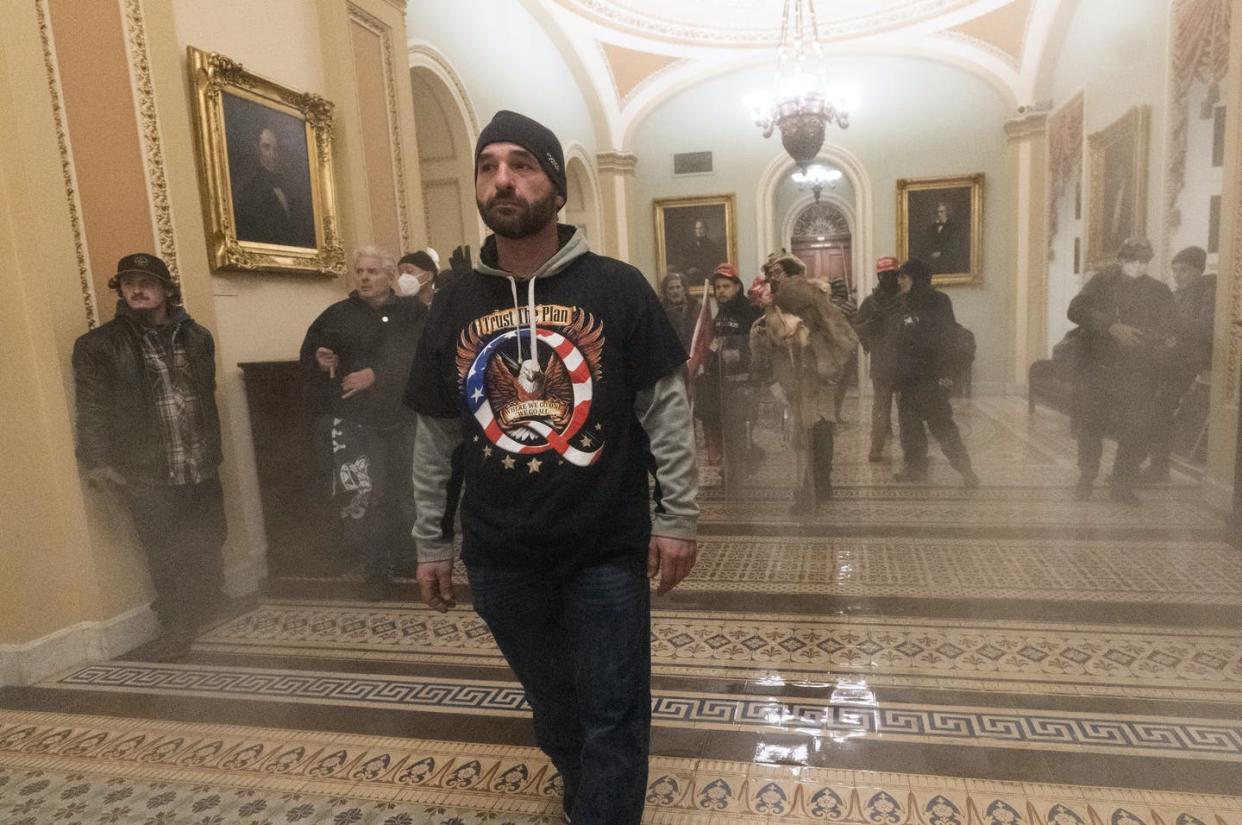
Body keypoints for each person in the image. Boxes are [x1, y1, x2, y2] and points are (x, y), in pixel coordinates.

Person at [406, 110, 698, 824]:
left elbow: (666, 410)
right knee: (556, 706)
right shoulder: (455, 301)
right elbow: (437, 431)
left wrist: (678, 516)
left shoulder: (619, 287)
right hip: (502, 553)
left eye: (522, 164)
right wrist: (430, 540)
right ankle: (589, 785)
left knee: (613, 711)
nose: (502, 178)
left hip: (603, 545)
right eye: (487, 165)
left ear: (556, 188)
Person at [72, 253, 227, 661]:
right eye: (129, 282)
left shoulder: (197, 337)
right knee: (164, 550)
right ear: (120, 290)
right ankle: (175, 623)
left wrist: (213, 451)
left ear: (166, 289)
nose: (137, 289)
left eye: (147, 282)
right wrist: (98, 461)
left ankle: (206, 603)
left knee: (210, 537)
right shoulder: (98, 346)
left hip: (199, 461)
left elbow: (205, 397)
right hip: (148, 469)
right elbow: (92, 407)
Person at [300, 245, 427, 599]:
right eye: (360, 271)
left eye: (373, 271)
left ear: (390, 275)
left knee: (407, 490)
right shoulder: (336, 315)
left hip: (403, 417)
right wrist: (321, 359)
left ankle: (407, 557)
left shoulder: (412, 313)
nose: (365, 278)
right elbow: (314, 355)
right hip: (358, 423)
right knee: (369, 493)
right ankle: (375, 568)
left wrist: (376, 375)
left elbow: (422, 355)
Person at [1068, 237, 1177, 503]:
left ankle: (1122, 483)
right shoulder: (1100, 283)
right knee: (1091, 425)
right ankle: (1087, 476)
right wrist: (1110, 326)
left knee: (1135, 429)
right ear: (1120, 259)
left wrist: (1143, 337)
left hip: (1137, 371)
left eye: (1143, 260)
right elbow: (1076, 309)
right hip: (1098, 366)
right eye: (1131, 259)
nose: (1137, 265)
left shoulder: (1159, 290)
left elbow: (1169, 326)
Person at [751, 253, 857, 511]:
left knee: (812, 433)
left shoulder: (793, 293)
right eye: (769, 272)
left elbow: (792, 335)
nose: (771, 277)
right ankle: (822, 485)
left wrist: (768, 319)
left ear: (788, 272)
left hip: (810, 374)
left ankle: (811, 491)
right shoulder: (807, 292)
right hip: (817, 373)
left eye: (775, 272)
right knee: (820, 429)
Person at [890, 258, 980, 487]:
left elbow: (945, 339)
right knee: (910, 429)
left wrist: (944, 375)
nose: (899, 281)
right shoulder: (901, 303)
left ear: (917, 278)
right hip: (908, 379)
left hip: (931, 377)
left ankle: (966, 471)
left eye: (904, 276)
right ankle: (915, 470)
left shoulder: (938, 301)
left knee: (942, 427)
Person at [1140, 245, 1217, 481]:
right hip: (1171, 358)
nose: (1177, 275)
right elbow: (1165, 328)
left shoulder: (1208, 291)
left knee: (1159, 408)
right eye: (1175, 270)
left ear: (1198, 270)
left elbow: (1206, 329)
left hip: (1191, 361)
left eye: (1183, 270)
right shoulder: (1177, 294)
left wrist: (1172, 324)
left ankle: (1154, 468)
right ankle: (1146, 465)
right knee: (1145, 402)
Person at [694, 263, 761, 481]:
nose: (721, 291)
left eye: (726, 286)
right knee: (725, 427)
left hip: (744, 380)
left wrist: (742, 355)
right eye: (718, 287)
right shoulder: (721, 313)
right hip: (722, 380)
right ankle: (732, 467)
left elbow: (759, 342)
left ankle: (739, 468)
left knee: (740, 428)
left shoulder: (750, 311)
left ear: (737, 288)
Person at [232, 125, 316, 248]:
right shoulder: (251, 189)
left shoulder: (288, 184)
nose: (272, 154)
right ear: (257, 149)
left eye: (275, 149)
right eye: (266, 147)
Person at [853, 257, 903, 462]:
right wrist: (870, 331)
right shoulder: (870, 303)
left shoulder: (906, 299)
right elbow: (857, 328)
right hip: (883, 362)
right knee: (881, 408)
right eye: (882, 275)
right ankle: (876, 447)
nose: (885, 278)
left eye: (890, 274)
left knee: (904, 409)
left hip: (904, 363)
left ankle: (909, 450)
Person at [920, 201, 968, 274]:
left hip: (947, 263)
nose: (939, 214)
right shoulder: (932, 228)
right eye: (938, 212)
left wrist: (941, 253)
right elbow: (926, 244)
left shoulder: (954, 227)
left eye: (942, 212)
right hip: (933, 263)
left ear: (947, 212)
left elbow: (955, 246)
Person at [659, 271, 701, 351]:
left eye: (678, 287)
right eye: (671, 288)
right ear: (665, 292)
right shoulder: (659, 311)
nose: (675, 291)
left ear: (684, 289)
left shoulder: (696, 307)